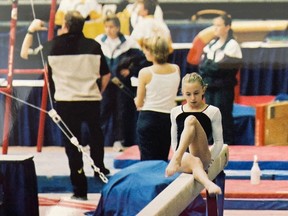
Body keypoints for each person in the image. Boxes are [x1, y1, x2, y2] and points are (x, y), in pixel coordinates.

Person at [20, 11, 111, 201]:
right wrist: (98, 92)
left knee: (73, 144)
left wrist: (31, 31)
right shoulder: (94, 46)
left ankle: (80, 190)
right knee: (96, 134)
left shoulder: (52, 46)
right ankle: (100, 168)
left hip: (66, 101)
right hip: (91, 99)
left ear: (66, 25)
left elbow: (24, 54)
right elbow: (106, 74)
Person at [95, 14, 149, 148]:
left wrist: (130, 71)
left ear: (118, 27)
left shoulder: (129, 42)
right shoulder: (99, 41)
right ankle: (95, 140)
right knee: (101, 111)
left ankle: (120, 141)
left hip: (121, 84)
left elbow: (142, 61)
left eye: (112, 27)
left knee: (121, 113)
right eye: (106, 27)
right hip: (104, 83)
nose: (109, 30)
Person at [165, 72, 224, 195]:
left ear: (203, 90)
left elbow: (218, 142)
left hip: (201, 155)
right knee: (194, 162)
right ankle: (208, 184)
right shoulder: (175, 111)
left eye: (196, 93)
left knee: (191, 120)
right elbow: (174, 141)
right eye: (188, 94)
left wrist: (211, 160)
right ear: (182, 92)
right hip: (184, 158)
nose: (192, 98)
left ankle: (175, 160)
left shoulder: (213, 111)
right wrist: (179, 155)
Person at [198, 14, 242, 145]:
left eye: (218, 25)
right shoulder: (211, 44)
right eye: (214, 25)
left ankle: (227, 142)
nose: (215, 28)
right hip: (210, 86)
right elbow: (202, 65)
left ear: (227, 27)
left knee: (222, 115)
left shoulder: (232, 45)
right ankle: (212, 142)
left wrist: (209, 66)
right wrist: (209, 67)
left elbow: (221, 68)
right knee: (210, 115)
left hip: (223, 88)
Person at [134, 36, 180, 161]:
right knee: (162, 159)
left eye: (147, 50)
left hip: (149, 118)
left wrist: (137, 101)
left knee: (147, 160)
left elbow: (139, 102)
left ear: (154, 52)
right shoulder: (176, 69)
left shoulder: (145, 72)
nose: (144, 52)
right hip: (168, 119)